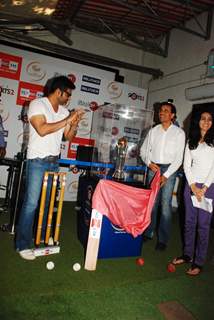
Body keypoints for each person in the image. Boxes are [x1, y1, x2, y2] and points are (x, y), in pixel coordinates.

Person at [15, 75, 84, 260]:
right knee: (31, 204)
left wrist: (74, 123)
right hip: (37, 161)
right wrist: (68, 118)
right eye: (68, 94)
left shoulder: (63, 111)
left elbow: (68, 137)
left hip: (54, 161)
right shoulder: (37, 104)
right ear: (58, 91)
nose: (69, 98)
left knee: (47, 204)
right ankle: (22, 244)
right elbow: (43, 129)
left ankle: (41, 238)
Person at [172, 111, 214, 275]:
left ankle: (199, 262)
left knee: (203, 226)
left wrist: (203, 188)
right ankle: (187, 255)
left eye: (210, 119)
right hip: (190, 186)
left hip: (208, 188)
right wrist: (192, 186)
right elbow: (186, 166)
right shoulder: (191, 142)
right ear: (198, 121)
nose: (206, 122)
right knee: (189, 223)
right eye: (203, 119)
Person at [140, 101, 185, 250]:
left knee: (165, 206)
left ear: (172, 115)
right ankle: (148, 232)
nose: (161, 112)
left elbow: (179, 158)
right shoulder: (153, 130)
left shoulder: (179, 133)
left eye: (165, 110)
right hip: (154, 168)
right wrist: (148, 163)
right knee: (152, 203)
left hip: (169, 170)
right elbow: (143, 151)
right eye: (160, 110)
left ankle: (163, 240)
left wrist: (166, 175)